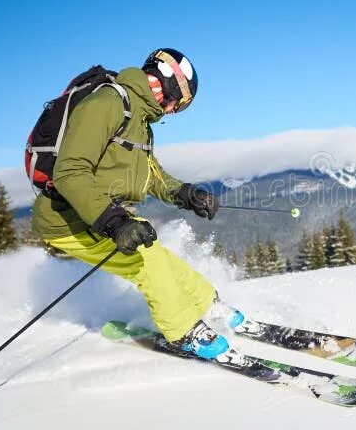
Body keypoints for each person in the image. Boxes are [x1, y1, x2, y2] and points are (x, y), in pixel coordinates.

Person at [31, 48, 242, 359]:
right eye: (179, 104)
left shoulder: (138, 120)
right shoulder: (107, 104)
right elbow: (70, 172)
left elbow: (151, 176)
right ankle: (183, 331)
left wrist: (185, 194)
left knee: (160, 255)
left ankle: (208, 305)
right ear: (167, 85)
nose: (173, 111)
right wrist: (114, 221)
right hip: (67, 219)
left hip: (97, 215)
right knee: (148, 261)